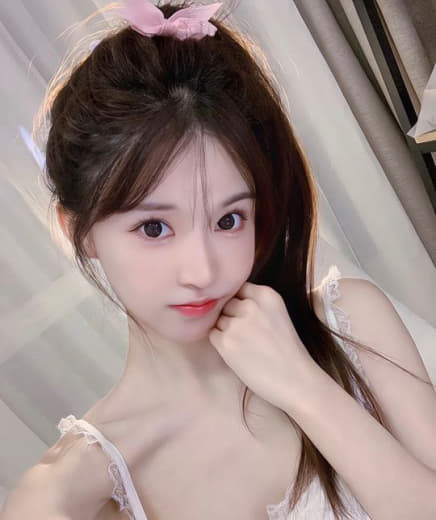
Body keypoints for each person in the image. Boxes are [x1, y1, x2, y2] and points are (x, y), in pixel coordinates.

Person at [2, 1, 436, 519]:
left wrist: (304, 387)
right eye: (154, 228)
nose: (203, 272)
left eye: (229, 220)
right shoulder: (79, 488)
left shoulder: (351, 322)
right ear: (78, 231)